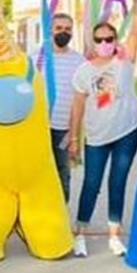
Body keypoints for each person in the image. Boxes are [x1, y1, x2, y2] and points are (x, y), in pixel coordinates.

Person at [68, 0, 137, 258]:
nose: (103, 43)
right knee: (91, 183)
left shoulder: (124, 62)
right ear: (93, 42)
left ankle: (114, 236)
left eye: (108, 39)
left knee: (118, 182)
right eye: (98, 40)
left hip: (126, 133)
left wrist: (136, 0)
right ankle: (81, 233)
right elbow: (77, 107)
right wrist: (74, 139)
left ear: (115, 42)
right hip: (97, 137)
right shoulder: (84, 72)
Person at [48, 12, 85, 201]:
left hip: (64, 130)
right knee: (38, 174)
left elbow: (81, 101)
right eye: (59, 28)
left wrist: (74, 136)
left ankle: (60, 218)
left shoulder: (79, 61)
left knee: (63, 173)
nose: (64, 32)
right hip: (38, 129)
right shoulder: (36, 57)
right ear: (50, 30)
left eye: (68, 29)